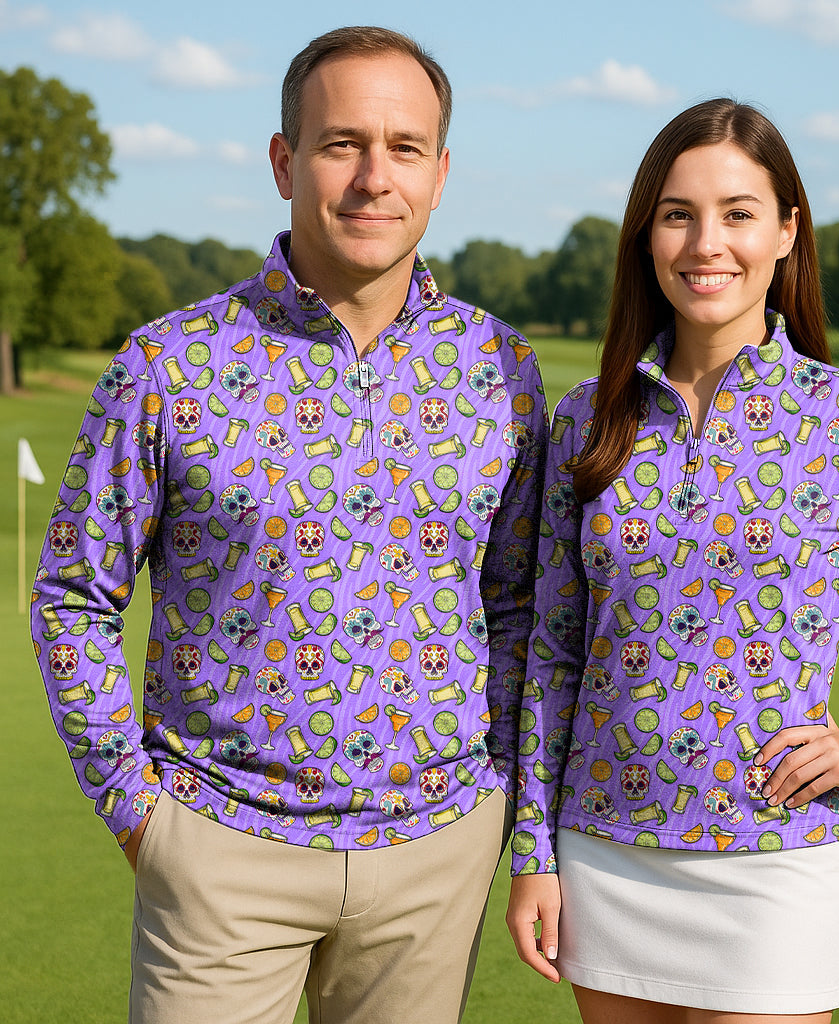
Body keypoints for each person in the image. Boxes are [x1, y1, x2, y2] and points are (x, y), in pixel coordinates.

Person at [32, 26, 547, 1024]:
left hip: (432, 853)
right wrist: (142, 816)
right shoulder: (168, 365)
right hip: (218, 848)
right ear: (284, 161)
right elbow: (73, 595)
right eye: (340, 142)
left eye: (403, 149)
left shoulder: (502, 370)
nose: (371, 178)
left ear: (440, 175)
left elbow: (523, 605)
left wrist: (493, 804)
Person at [505, 98, 839, 1023]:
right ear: (646, 236)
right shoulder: (584, 419)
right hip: (605, 853)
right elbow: (553, 654)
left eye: (739, 213)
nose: (708, 243)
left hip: (778, 859)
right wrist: (536, 856)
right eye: (678, 213)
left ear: (786, 232)